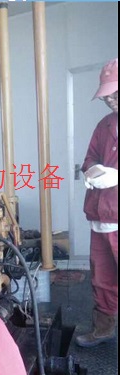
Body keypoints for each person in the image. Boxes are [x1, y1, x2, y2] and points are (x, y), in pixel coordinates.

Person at [76, 58, 118, 348]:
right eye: (106, 97)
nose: (110, 101)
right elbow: (90, 157)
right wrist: (92, 171)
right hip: (100, 216)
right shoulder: (104, 125)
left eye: (115, 94)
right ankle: (104, 328)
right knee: (102, 277)